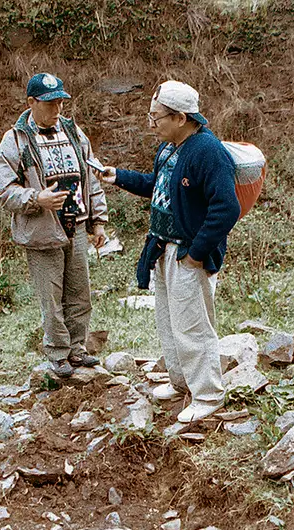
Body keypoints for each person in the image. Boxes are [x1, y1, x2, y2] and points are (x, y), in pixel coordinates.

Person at [96, 81, 240, 423]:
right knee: (169, 322)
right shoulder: (170, 148)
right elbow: (156, 185)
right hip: (162, 249)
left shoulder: (208, 151)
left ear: (179, 117)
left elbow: (226, 207)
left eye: (156, 116)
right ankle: (181, 383)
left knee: (192, 326)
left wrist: (196, 253)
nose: (151, 123)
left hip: (186, 254)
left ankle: (207, 395)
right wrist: (116, 176)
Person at [0, 73, 109, 378]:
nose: (57, 108)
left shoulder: (74, 133)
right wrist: (36, 198)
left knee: (80, 292)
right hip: (42, 231)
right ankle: (58, 353)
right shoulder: (15, 140)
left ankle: (78, 349)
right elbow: (4, 191)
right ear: (31, 102)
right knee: (51, 295)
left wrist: (98, 221)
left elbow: (92, 178)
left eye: (60, 101)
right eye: (49, 103)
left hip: (78, 226)